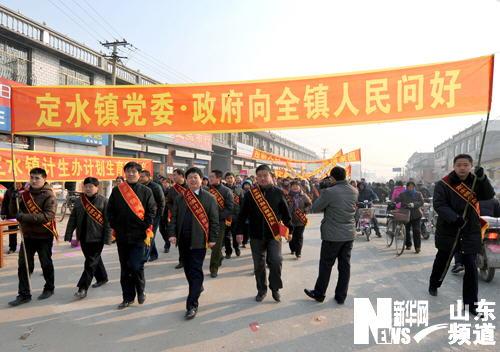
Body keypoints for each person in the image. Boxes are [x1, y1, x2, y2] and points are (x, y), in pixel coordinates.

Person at [428, 154, 495, 316]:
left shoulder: (475, 180)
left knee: (471, 268)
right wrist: (455, 219)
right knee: (442, 260)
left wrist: (483, 178)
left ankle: (472, 305)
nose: (462, 168)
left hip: (470, 230)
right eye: (459, 165)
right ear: (454, 166)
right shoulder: (444, 184)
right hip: (449, 229)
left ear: (471, 165)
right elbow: (439, 204)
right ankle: (434, 283)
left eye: (466, 165)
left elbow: (488, 195)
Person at [168, 167, 219, 320]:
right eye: (189, 177)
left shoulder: (209, 198)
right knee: (189, 270)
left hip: (199, 240)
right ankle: (197, 286)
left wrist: (212, 238)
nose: (192, 180)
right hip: (183, 240)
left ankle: (192, 305)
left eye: (195, 177)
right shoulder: (180, 198)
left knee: (195, 270)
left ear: (201, 180)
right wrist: (172, 234)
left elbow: (214, 221)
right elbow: (174, 218)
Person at [236, 164, 292, 303]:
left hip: (274, 234)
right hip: (256, 235)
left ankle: (275, 288)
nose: (262, 178)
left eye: (265, 175)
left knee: (276, 260)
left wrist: (290, 230)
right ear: (256, 178)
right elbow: (242, 215)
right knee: (259, 265)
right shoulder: (250, 194)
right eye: (259, 176)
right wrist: (239, 231)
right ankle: (262, 290)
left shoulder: (278, 193)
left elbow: (286, 214)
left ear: (271, 177)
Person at [304, 166, 358, 304]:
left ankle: (319, 293)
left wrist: (324, 191)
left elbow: (315, 208)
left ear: (332, 178)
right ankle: (341, 296)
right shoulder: (354, 190)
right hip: (349, 234)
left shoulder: (329, 192)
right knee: (344, 266)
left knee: (326, 265)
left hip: (332, 235)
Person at [107, 162, 156, 310]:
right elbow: (110, 211)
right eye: (128, 171)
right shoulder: (117, 191)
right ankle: (127, 297)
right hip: (122, 236)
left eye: (134, 171)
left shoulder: (146, 191)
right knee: (125, 268)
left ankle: (140, 290)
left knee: (136, 266)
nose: (130, 174)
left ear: (139, 174)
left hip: (139, 235)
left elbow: (151, 211)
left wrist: (143, 227)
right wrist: (115, 225)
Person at [8, 168, 58, 307]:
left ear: (44, 179)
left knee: (45, 263)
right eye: (32, 178)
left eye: (37, 178)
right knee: (23, 266)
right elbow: (14, 213)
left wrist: (24, 217)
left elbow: (48, 216)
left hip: (43, 236)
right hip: (28, 236)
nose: (34, 181)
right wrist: (14, 199)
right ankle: (24, 294)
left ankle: (49, 288)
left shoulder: (49, 195)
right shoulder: (24, 194)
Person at [64, 177, 112, 299]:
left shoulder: (104, 201)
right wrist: (69, 234)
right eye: (86, 186)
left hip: (97, 237)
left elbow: (108, 222)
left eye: (91, 186)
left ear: (97, 187)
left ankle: (82, 288)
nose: (88, 188)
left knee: (90, 263)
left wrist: (108, 238)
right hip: (83, 237)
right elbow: (73, 218)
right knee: (93, 260)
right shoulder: (80, 201)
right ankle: (102, 277)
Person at [451, 197, 500, 273]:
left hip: (474, 226)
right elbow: (497, 215)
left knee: (457, 239)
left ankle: (459, 263)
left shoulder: (469, 199)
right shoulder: (493, 200)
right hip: (490, 226)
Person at [207, 169, 233, 277]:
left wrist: (217, 218)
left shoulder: (226, 191)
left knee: (216, 245)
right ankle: (220, 256)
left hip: (220, 222)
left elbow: (229, 208)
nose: (210, 179)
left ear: (219, 178)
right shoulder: (206, 190)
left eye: (212, 177)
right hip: (206, 222)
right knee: (210, 244)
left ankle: (214, 268)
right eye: (210, 177)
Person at [139, 170, 165, 262]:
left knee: (149, 235)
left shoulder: (156, 187)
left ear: (148, 177)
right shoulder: (140, 186)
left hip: (155, 215)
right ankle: (154, 254)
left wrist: (160, 215)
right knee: (149, 234)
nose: (140, 178)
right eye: (140, 176)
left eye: (142, 177)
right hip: (143, 215)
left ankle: (145, 257)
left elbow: (162, 202)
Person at [166, 169, 188, 268]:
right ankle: (182, 260)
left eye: (175, 175)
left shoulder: (190, 187)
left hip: (191, 217)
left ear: (181, 176)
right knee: (181, 240)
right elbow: (168, 202)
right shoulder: (172, 189)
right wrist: (174, 209)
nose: (173, 177)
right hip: (179, 217)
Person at [396, 181, 425, 253]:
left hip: (416, 215)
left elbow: (421, 202)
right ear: (407, 187)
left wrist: (414, 204)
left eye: (412, 187)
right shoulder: (403, 194)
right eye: (409, 187)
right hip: (406, 214)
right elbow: (397, 199)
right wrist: (396, 200)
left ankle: (417, 247)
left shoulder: (418, 194)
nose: (411, 188)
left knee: (416, 230)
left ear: (414, 187)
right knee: (407, 230)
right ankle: (408, 244)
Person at [287, 180, 312, 259]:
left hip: (301, 219)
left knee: (299, 236)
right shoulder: (287, 196)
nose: (295, 187)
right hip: (290, 220)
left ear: (299, 186)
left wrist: (305, 210)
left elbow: (309, 204)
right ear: (290, 187)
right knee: (291, 235)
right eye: (293, 186)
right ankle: (292, 249)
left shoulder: (303, 195)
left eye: (296, 185)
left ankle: (298, 252)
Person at [223, 172, 244, 258]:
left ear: (234, 179)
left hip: (236, 216)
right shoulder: (223, 190)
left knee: (235, 233)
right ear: (225, 179)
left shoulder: (239, 190)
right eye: (227, 178)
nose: (229, 179)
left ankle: (236, 247)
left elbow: (242, 203)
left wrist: (241, 214)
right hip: (226, 216)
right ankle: (228, 251)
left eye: (231, 178)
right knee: (226, 235)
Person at [1, 182, 22, 254]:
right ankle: (12, 247)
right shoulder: (9, 191)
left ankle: (26, 248)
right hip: (11, 216)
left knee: (26, 232)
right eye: (16, 183)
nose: (17, 184)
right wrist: (3, 213)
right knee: (12, 233)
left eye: (19, 183)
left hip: (24, 215)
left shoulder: (26, 190)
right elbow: (5, 203)